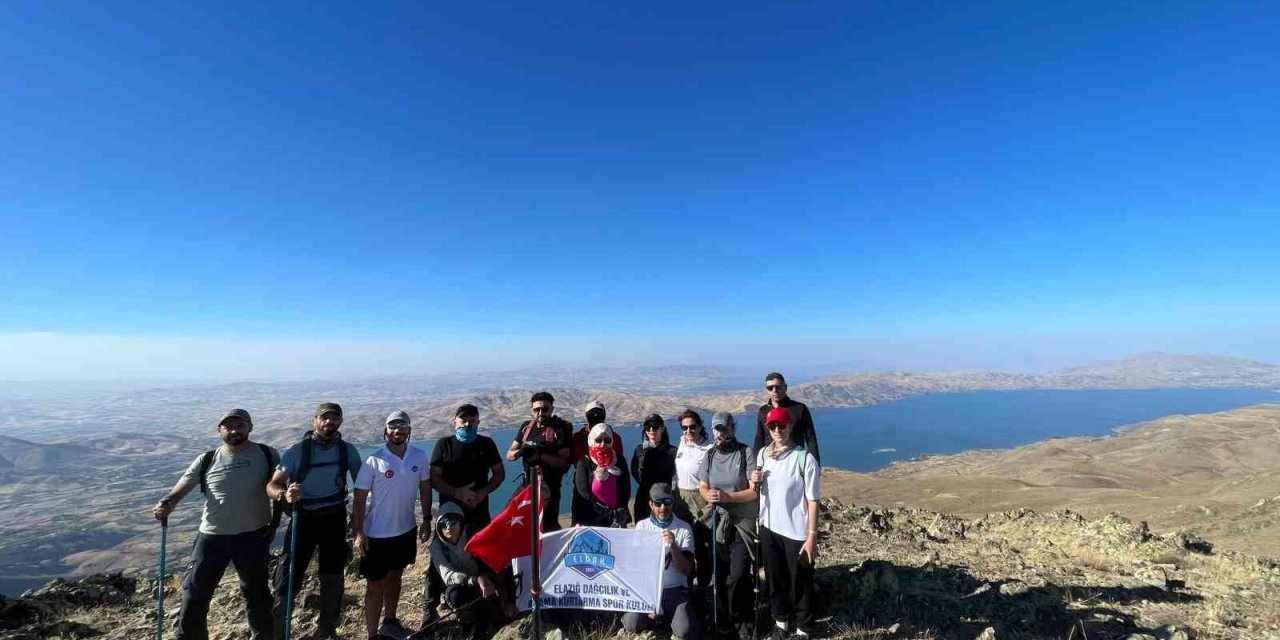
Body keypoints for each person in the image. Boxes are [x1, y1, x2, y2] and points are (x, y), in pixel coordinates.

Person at [152, 409, 278, 640]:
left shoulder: (268, 454)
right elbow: (182, 487)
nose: (234, 431)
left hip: (254, 534)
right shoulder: (207, 459)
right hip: (213, 535)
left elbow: (277, 486)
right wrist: (168, 504)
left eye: (240, 426)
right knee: (195, 593)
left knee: (257, 593)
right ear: (219, 431)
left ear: (250, 427)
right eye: (228, 427)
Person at [269, 402, 363, 640]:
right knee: (289, 576)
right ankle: (279, 633)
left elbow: (361, 484)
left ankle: (327, 630)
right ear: (315, 421)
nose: (329, 422)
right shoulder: (297, 451)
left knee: (332, 576)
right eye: (325, 418)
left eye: (334, 418)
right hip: (303, 519)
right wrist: (284, 495)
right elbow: (272, 484)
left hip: (334, 518)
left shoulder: (347, 451)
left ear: (340, 422)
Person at [422, 404, 505, 629]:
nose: (467, 424)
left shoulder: (486, 444)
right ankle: (429, 609)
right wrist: (457, 492)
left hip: (478, 511)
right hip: (450, 515)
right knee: (438, 561)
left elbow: (499, 473)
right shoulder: (444, 445)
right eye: (463, 420)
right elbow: (434, 478)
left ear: (478, 422)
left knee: (481, 554)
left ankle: (484, 599)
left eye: (472, 420)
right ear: (455, 421)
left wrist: (482, 492)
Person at [352, 411, 432, 640]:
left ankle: (390, 621)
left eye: (403, 426)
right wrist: (358, 532)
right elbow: (358, 500)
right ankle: (372, 635)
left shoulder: (418, 457)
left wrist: (426, 519)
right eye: (392, 426)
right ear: (385, 431)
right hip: (376, 534)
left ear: (409, 430)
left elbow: (425, 488)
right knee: (374, 586)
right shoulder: (373, 461)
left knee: (396, 577)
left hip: (405, 530)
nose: (398, 431)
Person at [748, 407, 820, 639]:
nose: (777, 430)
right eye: (772, 426)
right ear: (767, 429)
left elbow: (813, 500)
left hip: (796, 532)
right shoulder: (762, 456)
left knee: (799, 581)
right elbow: (757, 490)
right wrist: (754, 480)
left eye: (782, 426)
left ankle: (803, 629)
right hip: (769, 528)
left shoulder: (804, 459)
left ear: (790, 427)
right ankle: (781, 623)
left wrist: (811, 537)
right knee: (775, 579)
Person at [697, 412, 758, 636]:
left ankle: (743, 619)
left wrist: (728, 498)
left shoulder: (745, 453)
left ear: (734, 427)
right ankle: (724, 622)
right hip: (717, 522)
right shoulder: (710, 455)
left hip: (742, 523)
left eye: (725, 428)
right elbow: (703, 485)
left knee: (739, 574)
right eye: (717, 429)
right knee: (720, 575)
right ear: (713, 430)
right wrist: (708, 496)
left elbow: (754, 491)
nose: (721, 433)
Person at [622, 484, 702, 640]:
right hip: (649, 590)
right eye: (658, 503)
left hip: (676, 590)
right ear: (651, 504)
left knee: (683, 631)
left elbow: (686, 570)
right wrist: (647, 598)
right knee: (631, 625)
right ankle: (656, 617)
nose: (663, 507)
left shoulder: (684, 529)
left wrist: (674, 547)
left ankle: (671, 616)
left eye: (667, 502)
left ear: (673, 503)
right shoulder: (641, 526)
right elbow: (636, 566)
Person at [506, 391, 572, 532]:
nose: (541, 412)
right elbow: (509, 455)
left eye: (545, 409)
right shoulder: (526, 427)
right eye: (537, 409)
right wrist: (521, 452)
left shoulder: (559, 430)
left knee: (547, 526)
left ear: (552, 409)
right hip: (527, 484)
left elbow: (564, 463)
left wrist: (541, 455)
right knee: (510, 518)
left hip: (550, 486)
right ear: (532, 410)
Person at [673, 409, 714, 591]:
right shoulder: (682, 444)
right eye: (684, 428)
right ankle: (686, 585)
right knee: (684, 545)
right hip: (681, 500)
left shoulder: (708, 450)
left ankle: (704, 587)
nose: (688, 432)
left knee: (701, 547)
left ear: (700, 427)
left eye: (692, 427)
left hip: (700, 500)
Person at [569, 401, 625, 525]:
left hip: (612, 495)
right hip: (584, 492)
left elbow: (621, 469)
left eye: (598, 413)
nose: (595, 416)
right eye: (591, 413)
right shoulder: (578, 437)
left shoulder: (614, 437)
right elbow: (576, 461)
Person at [752, 372, 820, 464]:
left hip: (794, 460)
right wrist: (756, 465)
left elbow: (810, 438)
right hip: (770, 461)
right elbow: (759, 438)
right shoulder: (763, 411)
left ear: (785, 387)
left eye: (778, 387)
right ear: (767, 390)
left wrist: (815, 463)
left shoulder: (800, 409)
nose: (774, 390)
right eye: (770, 388)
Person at [631, 413, 676, 522]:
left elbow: (675, 472)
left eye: (655, 426)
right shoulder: (639, 450)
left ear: (662, 429)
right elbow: (634, 470)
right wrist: (644, 483)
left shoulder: (672, 451)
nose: (651, 429)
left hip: (663, 500)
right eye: (648, 427)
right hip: (643, 497)